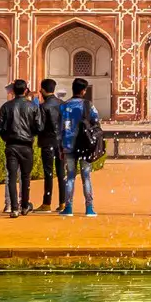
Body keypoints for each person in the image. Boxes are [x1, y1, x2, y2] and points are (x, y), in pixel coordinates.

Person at [0, 80, 42, 217]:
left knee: (12, 177)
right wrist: (30, 134)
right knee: (25, 177)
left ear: (13, 91)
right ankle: (25, 206)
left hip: (11, 146)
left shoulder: (6, 106)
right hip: (26, 146)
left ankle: (14, 208)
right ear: (26, 90)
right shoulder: (32, 107)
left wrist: (6, 137)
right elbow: (39, 127)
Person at [58, 77, 102, 217]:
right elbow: (96, 122)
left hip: (69, 146)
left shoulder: (64, 106)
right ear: (83, 91)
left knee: (70, 177)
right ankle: (89, 208)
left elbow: (59, 129)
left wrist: (60, 147)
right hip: (85, 145)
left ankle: (69, 208)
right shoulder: (88, 105)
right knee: (86, 177)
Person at [36, 78, 62, 210]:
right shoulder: (62, 104)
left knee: (48, 173)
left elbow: (40, 127)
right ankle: (63, 203)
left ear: (44, 90)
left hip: (47, 142)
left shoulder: (43, 107)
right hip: (61, 143)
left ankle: (47, 203)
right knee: (61, 173)